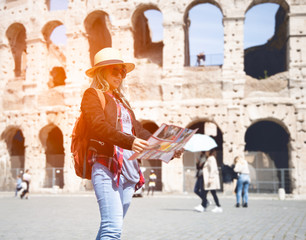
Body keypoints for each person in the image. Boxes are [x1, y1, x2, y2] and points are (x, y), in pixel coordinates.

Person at [81, 47, 182, 239]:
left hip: (129, 168)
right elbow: (97, 126)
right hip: (107, 165)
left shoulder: (122, 101)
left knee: (110, 226)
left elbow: (139, 131)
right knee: (112, 228)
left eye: (122, 71)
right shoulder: (92, 95)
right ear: (101, 72)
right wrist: (130, 141)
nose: (120, 75)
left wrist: (169, 147)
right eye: (115, 71)